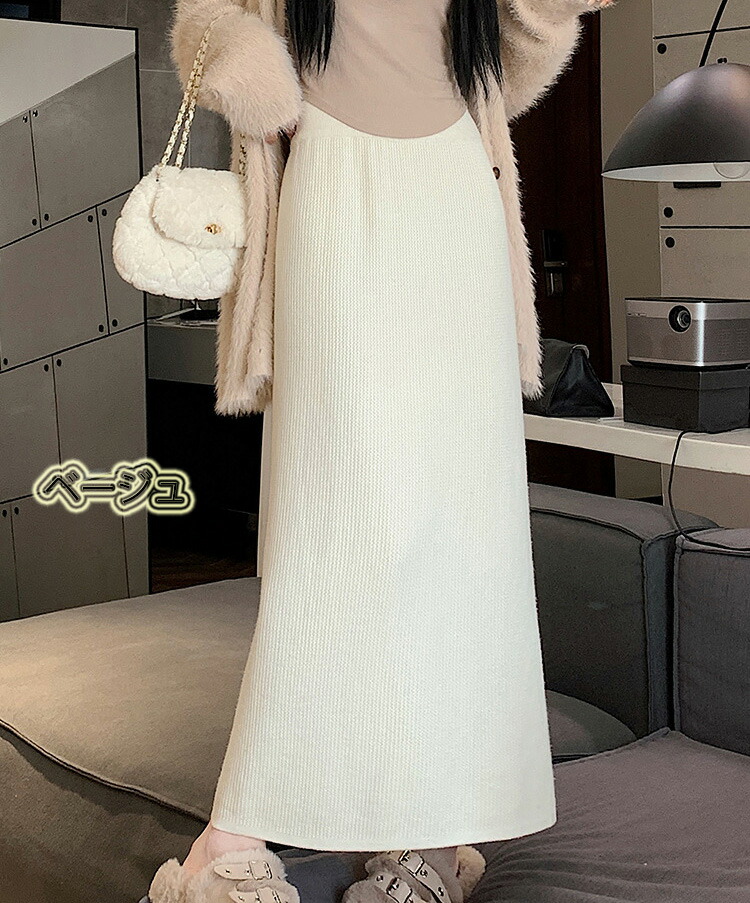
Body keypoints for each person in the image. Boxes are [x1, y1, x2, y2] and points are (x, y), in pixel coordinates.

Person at [147, 1, 617, 901]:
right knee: (329, 516)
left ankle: (431, 839)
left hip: (455, 194)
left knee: (459, 527)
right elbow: (207, 25)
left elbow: (511, 64)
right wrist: (256, 79)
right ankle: (229, 833)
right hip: (330, 183)